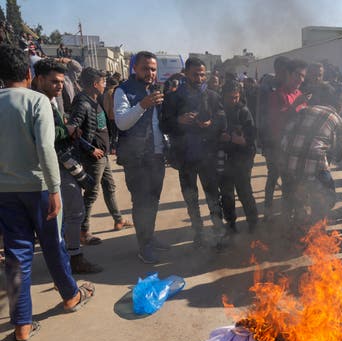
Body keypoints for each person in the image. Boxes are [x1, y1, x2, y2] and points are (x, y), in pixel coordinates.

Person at [0, 44, 94, 341]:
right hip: (39, 188)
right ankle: (70, 296)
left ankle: (22, 325)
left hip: (5, 192)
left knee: (16, 257)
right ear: (28, 73)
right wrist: (55, 190)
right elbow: (45, 148)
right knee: (53, 245)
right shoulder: (36, 101)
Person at [33, 59, 103, 274]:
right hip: (55, 165)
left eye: (62, 81)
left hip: (60, 162)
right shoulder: (38, 102)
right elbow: (46, 135)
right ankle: (73, 259)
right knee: (74, 212)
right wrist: (67, 130)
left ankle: (67, 256)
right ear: (39, 79)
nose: (60, 86)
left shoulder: (52, 101)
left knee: (67, 214)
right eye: (54, 81)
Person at [160, 57, 227, 246]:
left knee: (213, 196)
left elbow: (223, 120)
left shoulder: (212, 96)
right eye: (195, 74)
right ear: (186, 73)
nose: (199, 78)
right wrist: (178, 121)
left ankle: (218, 232)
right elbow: (164, 125)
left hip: (208, 156)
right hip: (185, 156)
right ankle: (198, 233)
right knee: (191, 198)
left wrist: (210, 123)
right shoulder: (173, 97)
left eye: (202, 74)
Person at [68, 67, 133, 245]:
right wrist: (90, 150)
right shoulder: (83, 103)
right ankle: (84, 231)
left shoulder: (95, 100)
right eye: (103, 82)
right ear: (95, 84)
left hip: (102, 156)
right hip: (93, 157)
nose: (105, 85)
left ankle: (118, 219)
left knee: (109, 187)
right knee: (91, 193)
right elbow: (72, 129)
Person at [114, 51, 168, 263]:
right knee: (141, 203)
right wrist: (143, 104)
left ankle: (150, 237)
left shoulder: (155, 89)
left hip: (156, 156)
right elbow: (121, 122)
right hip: (135, 158)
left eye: (153, 69)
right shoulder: (123, 90)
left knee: (153, 201)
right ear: (134, 68)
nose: (150, 73)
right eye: (145, 68)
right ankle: (144, 246)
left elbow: (159, 123)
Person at [280, 84, 342, 223]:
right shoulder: (338, 119)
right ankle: (315, 224)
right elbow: (339, 154)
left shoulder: (304, 110)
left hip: (288, 165)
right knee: (329, 197)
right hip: (314, 168)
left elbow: (285, 136)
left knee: (297, 198)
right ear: (337, 105)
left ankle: (296, 224)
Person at [264, 58, 308, 219]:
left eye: (303, 76)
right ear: (288, 74)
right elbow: (277, 124)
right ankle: (283, 221)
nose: (301, 80)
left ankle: (297, 219)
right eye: (298, 75)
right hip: (282, 150)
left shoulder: (300, 95)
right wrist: (296, 105)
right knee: (287, 187)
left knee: (299, 188)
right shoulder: (278, 95)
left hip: (299, 150)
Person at [219, 81, 259, 232]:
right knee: (226, 195)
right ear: (223, 96)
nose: (233, 101)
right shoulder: (218, 110)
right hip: (224, 159)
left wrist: (236, 139)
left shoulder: (243, 111)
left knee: (245, 192)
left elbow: (250, 137)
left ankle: (253, 223)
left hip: (242, 159)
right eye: (230, 97)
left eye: (236, 97)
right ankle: (231, 224)